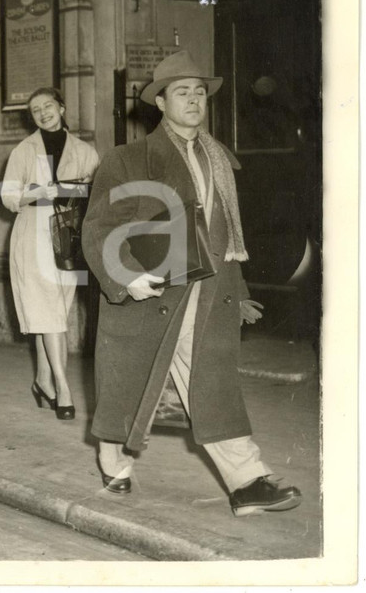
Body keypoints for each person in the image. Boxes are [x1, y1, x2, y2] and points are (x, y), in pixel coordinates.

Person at [81, 50, 302, 516]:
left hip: (210, 291)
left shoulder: (218, 159)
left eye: (200, 92)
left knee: (213, 382)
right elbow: (99, 228)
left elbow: (224, 236)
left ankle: (247, 482)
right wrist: (127, 276)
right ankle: (113, 461)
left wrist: (239, 293)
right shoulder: (128, 160)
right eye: (182, 92)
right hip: (151, 292)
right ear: (160, 103)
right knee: (129, 384)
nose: (194, 99)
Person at [2, 87, 99, 420]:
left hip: (69, 236)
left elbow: (97, 194)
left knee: (54, 312)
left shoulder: (85, 150)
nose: (43, 113)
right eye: (36, 109)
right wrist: (43, 191)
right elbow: (8, 197)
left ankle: (43, 381)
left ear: (62, 107)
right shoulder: (23, 150)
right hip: (33, 236)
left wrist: (74, 188)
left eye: (48, 106)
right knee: (51, 313)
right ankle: (63, 388)